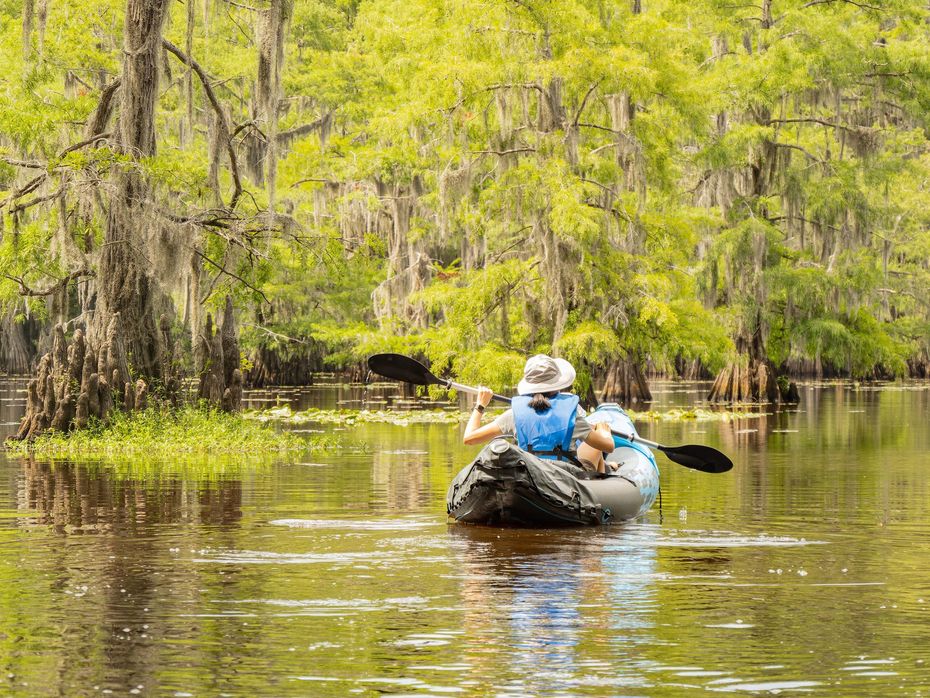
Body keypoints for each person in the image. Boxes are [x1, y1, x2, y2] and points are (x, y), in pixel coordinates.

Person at [462, 354, 615, 472]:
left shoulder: (513, 415)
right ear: (558, 385)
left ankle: (608, 467)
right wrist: (604, 431)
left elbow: (469, 438)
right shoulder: (572, 416)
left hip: (530, 475)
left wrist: (480, 405)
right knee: (596, 447)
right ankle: (603, 486)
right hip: (566, 479)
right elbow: (608, 447)